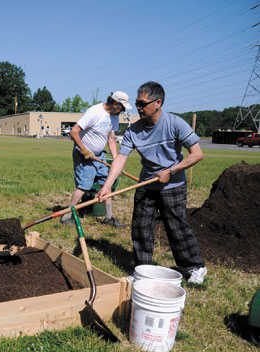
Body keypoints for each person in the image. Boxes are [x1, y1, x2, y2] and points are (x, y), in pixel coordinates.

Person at [97, 81, 207, 285]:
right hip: (146, 184)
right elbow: (121, 159)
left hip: (173, 185)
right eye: (137, 103)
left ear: (158, 103)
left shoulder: (175, 123)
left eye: (142, 103)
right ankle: (142, 270)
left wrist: (172, 171)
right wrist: (106, 187)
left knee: (176, 227)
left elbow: (197, 154)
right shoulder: (133, 131)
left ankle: (195, 267)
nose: (138, 107)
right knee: (141, 228)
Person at [59, 91, 132, 227]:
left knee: (107, 183)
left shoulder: (114, 117)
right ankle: (66, 216)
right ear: (115, 104)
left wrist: (116, 161)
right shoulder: (95, 112)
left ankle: (108, 218)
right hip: (84, 155)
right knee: (84, 186)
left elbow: (111, 139)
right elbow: (74, 132)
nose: (122, 111)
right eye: (122, 107)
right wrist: (84, 150)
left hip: (99, 155)